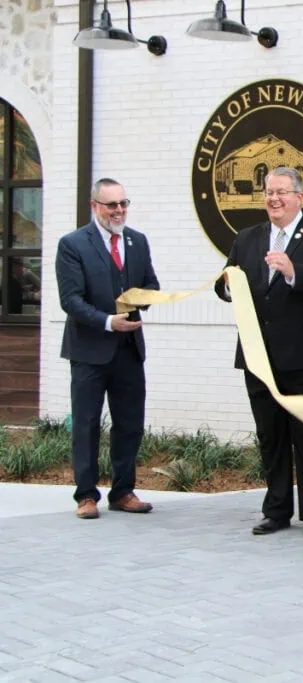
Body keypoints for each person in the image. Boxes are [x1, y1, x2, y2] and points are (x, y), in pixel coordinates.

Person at [214, 166, 303, 540]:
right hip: (260, 357)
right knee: (270, 436)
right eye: (269, 192)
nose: (274, 199)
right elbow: (225, 284)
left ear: (299, 197)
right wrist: (228, 286)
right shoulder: (247, 238)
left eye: (282, 192)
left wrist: (293, 271)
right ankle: (275, 510)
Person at [55, 178, 160, 519]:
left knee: (130, 423)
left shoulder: (137, 241)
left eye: (123, 204)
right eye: (111, 205)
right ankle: (86, 496)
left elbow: (150, 284)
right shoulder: (73, 244)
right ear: (94, 206)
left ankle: (123, 491)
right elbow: (71, 300)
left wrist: (143, 298)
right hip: (89, 350)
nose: (118, 211)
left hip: (128, 348)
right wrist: (107, 321)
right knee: (86, 424)